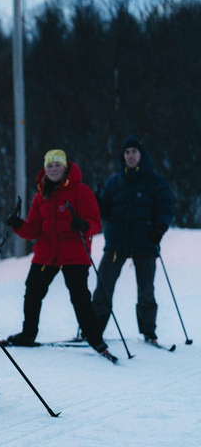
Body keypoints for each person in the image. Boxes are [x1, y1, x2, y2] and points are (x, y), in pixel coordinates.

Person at [4, 149, 113, 358]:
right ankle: (28, 334)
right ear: (45, 169)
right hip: (47, 253)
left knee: (79, 297)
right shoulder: (41, 195)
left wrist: (83, 225)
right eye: (50, 166)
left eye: (57, 165)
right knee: (33, 291)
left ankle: (95, 339)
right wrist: (18, 225)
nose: (53, 169)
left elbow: (95, 224)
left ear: (65, 167)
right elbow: (34, 230)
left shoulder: (81, 191)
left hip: (75, 254)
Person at [92, 136, 174, 343]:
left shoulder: (156, 181)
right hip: (116, 244)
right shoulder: (114, 182)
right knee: (104, 285)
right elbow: (105, 211)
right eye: (127, 152)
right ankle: (95, 328)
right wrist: (96, 199)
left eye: (134, 152)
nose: (130, 156)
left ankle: (148, 331)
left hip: (145, 242)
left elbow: (166, 208)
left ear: (141, 155)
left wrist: (159, 229)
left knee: (146, 288)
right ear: (123, 156)